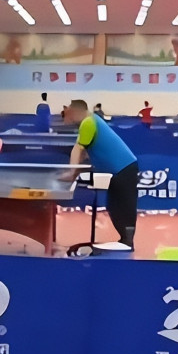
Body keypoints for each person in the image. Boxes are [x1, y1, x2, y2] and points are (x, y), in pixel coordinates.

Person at [60, 100, 138, 250]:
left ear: (75, 111)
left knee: (122, 206)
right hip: (119, 170)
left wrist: (71, 173)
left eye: (67, 113)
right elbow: (84, 154)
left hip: (124, 168)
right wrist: (74, 173)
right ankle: (125, 240)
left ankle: (127, 242)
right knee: (114, 206)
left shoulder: (88, 122)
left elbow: (78, 150)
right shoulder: (91, 121)